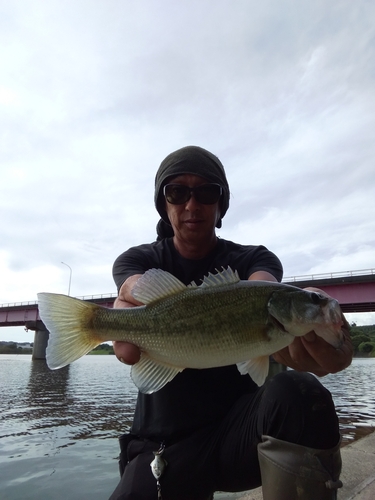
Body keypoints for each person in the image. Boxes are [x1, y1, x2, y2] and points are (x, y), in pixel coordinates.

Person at [108, 146, 353, 500]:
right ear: (164, 205)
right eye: (177, 192)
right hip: (162, 443)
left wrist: (322, 324)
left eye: (207, 192)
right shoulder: (140, 258)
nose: (192, 205)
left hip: (238, 438)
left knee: (301, 392)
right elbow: (133, 291)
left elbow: (261, 290)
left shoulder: (254, 259)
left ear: (221, 205)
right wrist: (121, 309)